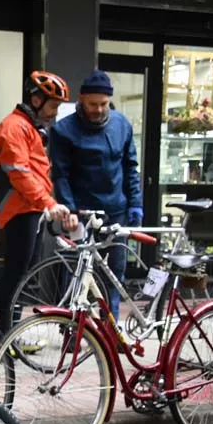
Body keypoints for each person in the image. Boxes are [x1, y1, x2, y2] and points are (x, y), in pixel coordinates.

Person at [50, 69, 143, 317]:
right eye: (93, 104)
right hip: (82, 213)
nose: (99, 109)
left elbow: (130, 167)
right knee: (77, 274)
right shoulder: (63, 131)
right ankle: (71, 332)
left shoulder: (122, 125)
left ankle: (110, 332)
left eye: (104, 104)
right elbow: (61, 175)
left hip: (117, 212)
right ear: (81, 100)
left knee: (114, 273)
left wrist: (136, 203)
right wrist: (69, 210)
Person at [0, 71, 77, 333]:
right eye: (53, 106)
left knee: (22, 276)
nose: (55, 113)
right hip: (20, 210)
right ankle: (4, 335)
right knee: (16, 275)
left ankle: (9, 333)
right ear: (37, 99)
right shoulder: (13, 128)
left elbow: (35, 173)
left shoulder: (28, 127)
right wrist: (48, 204)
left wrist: (47, 203)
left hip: (30, 208)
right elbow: (19, 173)